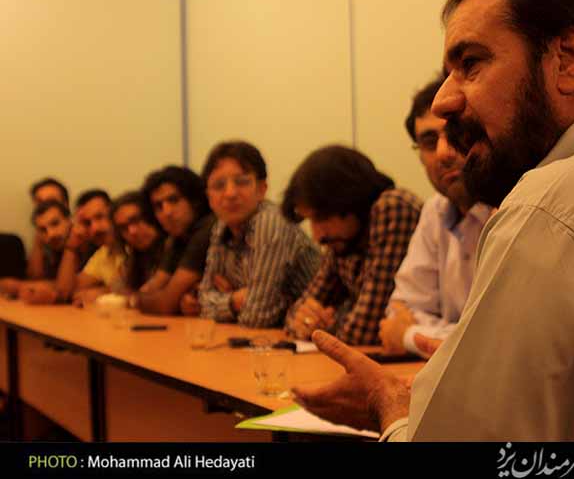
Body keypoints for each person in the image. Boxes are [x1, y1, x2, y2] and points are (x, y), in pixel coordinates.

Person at [293, 0, 574, 440]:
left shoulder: (553, 211)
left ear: (568, 60)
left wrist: (388, 406)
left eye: (471, 63)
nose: (443, 100)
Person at [379, 77, 494, 357]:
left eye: (457, 133)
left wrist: (408, 335)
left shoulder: (513, 207)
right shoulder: (436, 210)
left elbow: (498, 342)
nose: (444, 153)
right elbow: (401, 307)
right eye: (430, 142)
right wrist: (448, 335)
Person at [282, 145, 422, 345]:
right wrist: (303, 320)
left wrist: (322, 328)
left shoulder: (392, 207)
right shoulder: (343, 240)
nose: (317, 235)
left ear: (350, 198)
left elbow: (364, 331)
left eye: (321, 218)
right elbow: (299, 310)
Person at [198, 141, 320, 326]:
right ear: (209, 196)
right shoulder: (221, 226)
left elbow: (258, 316)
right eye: (219, 185)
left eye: (241, 182)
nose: (230, 193)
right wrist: (234, 301)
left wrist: (227, 301)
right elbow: (203, 302)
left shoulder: (270, 222)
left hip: (319, 331)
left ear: (262, 189)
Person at [135, 166, 213, 315]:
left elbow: (165, 304)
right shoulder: (177, 237)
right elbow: (150, 289)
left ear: (194, 200)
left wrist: (138, 300)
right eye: (158, 206)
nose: (167, 212)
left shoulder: (207, 228)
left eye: (173, 200)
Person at [54, 189, 123, 306]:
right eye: (87, 223)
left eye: (99, 217)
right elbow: (65, 292)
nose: (95, 228)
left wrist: (104, 292)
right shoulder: (103, 253)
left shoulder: (133, 242)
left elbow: (138, 286)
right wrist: (72, 245)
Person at [0, 200, 72, 298]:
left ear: (69, 220)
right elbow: (35, 278)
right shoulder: (50, 248)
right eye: (43, 229)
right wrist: (38, 243)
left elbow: (65, 289)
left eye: (55, 224)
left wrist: (20, 286)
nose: (51, 234)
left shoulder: (83, 245)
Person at [110, 191, 164, 292]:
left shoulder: (175, 248)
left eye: (136, 220)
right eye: (124, 228)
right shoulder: (134, 258)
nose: (132, 231)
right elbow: (118, 289)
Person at [26, 177, 70, 280]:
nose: (45, 207)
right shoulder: (43, 234)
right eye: (40, 203)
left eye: (51, 201)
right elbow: (34, 278)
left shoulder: (82, 235)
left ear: (66, 205)